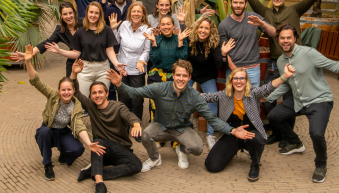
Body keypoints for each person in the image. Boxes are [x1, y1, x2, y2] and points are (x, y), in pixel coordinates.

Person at [266, 24, 339, 183]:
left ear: (295, 38)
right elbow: (286, 84)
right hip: (298, 100)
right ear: (278, 39)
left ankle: (321, 165)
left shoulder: (309, 53)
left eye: (288, 38)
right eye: (282, 38)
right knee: (273, 116)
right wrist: (268, 97)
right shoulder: (280, 61)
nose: (285, 41)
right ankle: (295, 142)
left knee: (316, 133)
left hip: (319, 99)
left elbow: (333, 65)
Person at [107, 59, 259, 171]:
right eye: (178, 75)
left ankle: (182, 151)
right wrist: (119, 84)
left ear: (189, 77)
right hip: (161, 126)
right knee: (146, 134)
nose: (181, 78)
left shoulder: (194, 96)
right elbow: (134, 92)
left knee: (198, 148)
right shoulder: (159, 88)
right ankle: (154, 158)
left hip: (182, 129)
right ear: (173, 75)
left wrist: (232, 130)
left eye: (184, 76)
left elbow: (211, 119)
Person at [247, 0, 335, 147]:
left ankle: (288, 138)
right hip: (274, 63)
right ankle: (278, 133)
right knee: (268, 98)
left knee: (290, 101)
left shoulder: (295, 10)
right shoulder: (265, 12)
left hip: (294, 62)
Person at [23, 45, 105, 181]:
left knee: (77, 149)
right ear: (59, 90)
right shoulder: (52, 95)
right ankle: (47, 164)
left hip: (63, 132)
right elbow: (36, 81)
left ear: (73, 91)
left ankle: (63, 153)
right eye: (63, 90)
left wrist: (88, 143)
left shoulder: (77, 104)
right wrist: (27, 61)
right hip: (48, 130)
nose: (66, 92)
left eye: (69, 90)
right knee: (42, 133)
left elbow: (79, 125)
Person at [202, 64, 296, 181]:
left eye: (242, 78)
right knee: (212, 165)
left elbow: (268, 88)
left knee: (257, 139)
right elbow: (207, 97)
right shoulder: (224, 95)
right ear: (231, 81)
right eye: (235, 78)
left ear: (246, 81)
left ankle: (255, 164)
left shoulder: (254, 93)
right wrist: (186, 92)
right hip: (233, 133)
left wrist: (284, 76)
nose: (239, 81)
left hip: (251, 132)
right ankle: (233, 149)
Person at [70, 60, 142, 193]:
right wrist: (74, 73)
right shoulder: (90, 106)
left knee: (137, 165)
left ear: (107, 93)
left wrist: (136, 124)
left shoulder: (117, 106)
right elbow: (75, 91)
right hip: (102, 147)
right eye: (94, 93)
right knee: (97, 143)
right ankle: (99, 184)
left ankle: (92, 171)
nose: (97, 95)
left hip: (120, 147)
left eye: (100, 92)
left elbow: (129, 116)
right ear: (91, 96)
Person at [44, 2, 126, 99]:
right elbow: (76, 53)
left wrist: (116, 63)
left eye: (96, 13)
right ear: (87, 13)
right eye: (91, 12)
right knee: (82, 99)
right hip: (85, 69)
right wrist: (59, 51)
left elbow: (110, 50)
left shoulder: (106, 30)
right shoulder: (80, 32)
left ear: (100, 15)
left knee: (101, 99)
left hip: (103, 69)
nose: (93, 15)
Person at [187, 15, 235, 150]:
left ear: (210, 31)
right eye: (201, 27)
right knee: (182, 97)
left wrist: (224, 54)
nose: (203, 30)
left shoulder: (214, 44)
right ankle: (184, 128)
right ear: (196, 28)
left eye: (206, 28)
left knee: (213, 101)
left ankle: (210, 134)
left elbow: (222, 67)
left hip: (207, 76)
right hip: (191, 75)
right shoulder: (190, 40)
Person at [218, 0, 277, 87]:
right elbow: (224, 51)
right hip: (234, 69)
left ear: (245, 4)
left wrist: (262, 24)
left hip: (253, 70)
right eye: (235, 2)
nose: (238, 5)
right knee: (233, 100)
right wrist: (235, 70)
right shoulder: (224, 25)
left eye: (241, 3)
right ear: (230, 3)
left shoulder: (253, 17)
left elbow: (274, 33)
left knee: (253, 100)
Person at [10, 2, 83, 77]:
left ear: (74, 13)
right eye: (65, 14)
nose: (68, 16)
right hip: (74, 63)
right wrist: (30, 53)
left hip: (89, 61)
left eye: (70, 13)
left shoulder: (84, 24)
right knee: (71, 87)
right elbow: (46, 43)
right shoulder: (60, 31)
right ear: (61, 15)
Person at [143, 16, 189, 133]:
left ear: (173, 26)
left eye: (168, 24)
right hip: (157, 76)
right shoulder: (156, 39)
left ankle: (174, 134)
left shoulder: (180, 38)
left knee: (175, 106)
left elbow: (182, 59)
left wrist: (179, 41)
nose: (166, 27)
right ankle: (157, 134)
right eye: (163, 24)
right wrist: (153, 42)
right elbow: (155, 60)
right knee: (155, 105)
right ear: (159, 26)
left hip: (174, 77)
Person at [109, 1, 152, 123]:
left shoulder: (147, 30)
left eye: (139, 11)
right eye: (134, 11)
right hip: (122, 68)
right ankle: (125, 125)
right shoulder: (123, 25)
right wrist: (112, 29)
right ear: (130, 13)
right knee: (123, 99)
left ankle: (136, 124)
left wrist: (141, 60)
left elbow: (146, 50)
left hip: (137, 70)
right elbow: (115, 42)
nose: (136, 14)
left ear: (143, 14)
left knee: (137, 100)